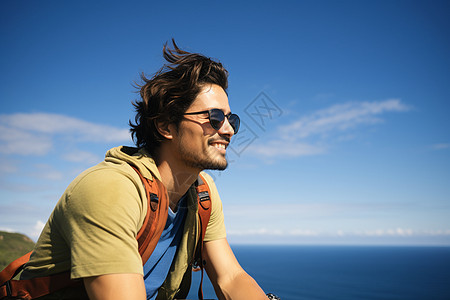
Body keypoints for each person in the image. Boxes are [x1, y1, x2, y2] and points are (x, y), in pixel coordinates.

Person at [19, 40, 269, 300]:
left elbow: (230, 277)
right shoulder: (111, 190)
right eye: (214, 118)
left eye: (231, 119)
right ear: (166, 126)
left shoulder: (202, 194)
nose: (228, 130)